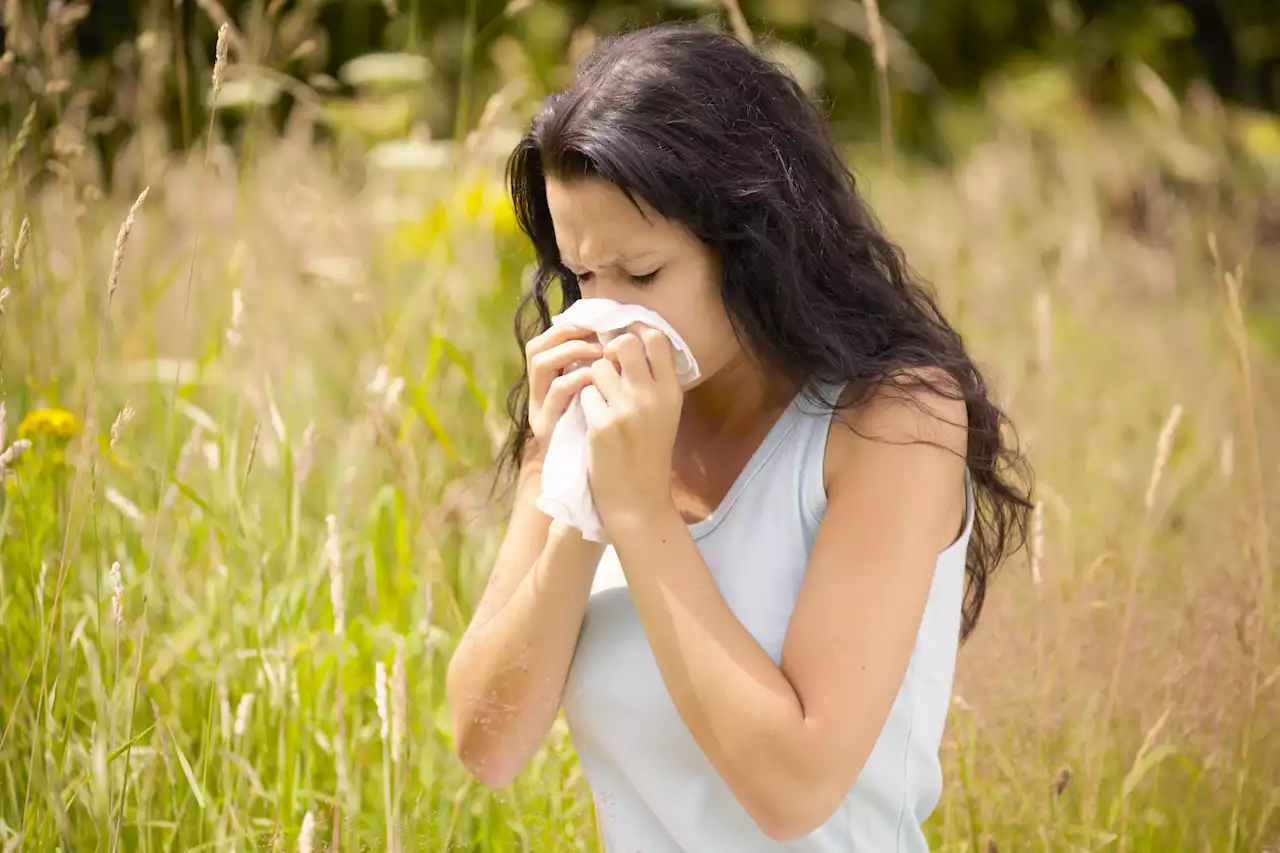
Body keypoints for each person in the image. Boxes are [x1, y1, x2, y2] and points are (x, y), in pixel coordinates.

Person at [445, 20, 1032, 853]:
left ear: (754, 246)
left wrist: (640, 510)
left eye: (643, 274)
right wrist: (580, 502)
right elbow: (487, 745)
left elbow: (795, 791)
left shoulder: (891, 422)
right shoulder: (588, 414)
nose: (606, 314)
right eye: (583, 274)